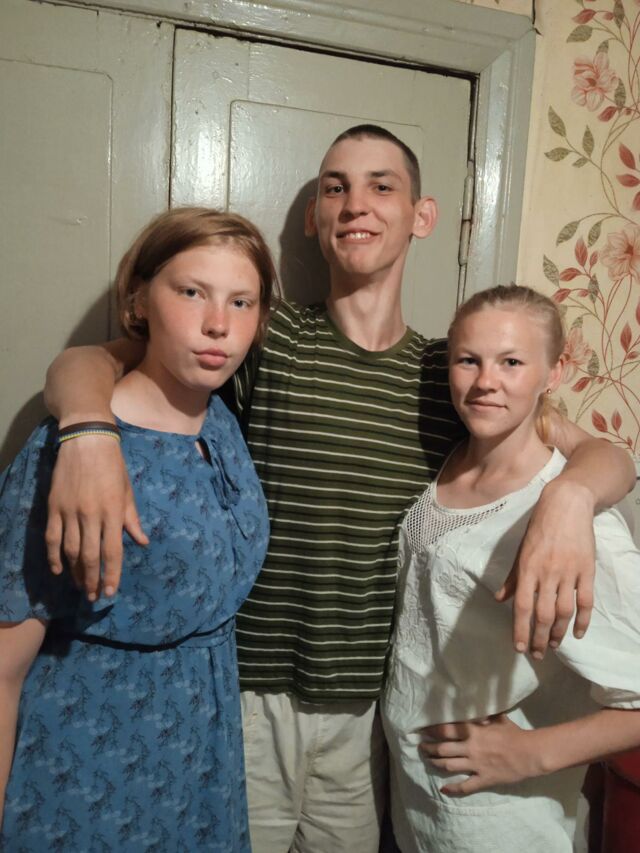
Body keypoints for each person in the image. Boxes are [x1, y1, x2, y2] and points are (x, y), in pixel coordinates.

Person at [41, 127, 635, 852]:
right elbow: (89, 361)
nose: (357, 204)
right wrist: (87, 432)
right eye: (335, 187)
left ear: (422, 215)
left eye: (382, 185)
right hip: (248, 696)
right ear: (313, 218)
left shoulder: (449, 370)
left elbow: (598, 450)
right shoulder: (265, 337)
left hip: (365, 718)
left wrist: (572, 498)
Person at [0, 208, 276, 850]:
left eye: (241, 302)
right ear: (138, 300)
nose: (218, 324)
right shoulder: (67, 454)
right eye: (192, 292)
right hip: (85, 767)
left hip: (202, 761)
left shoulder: (221, 420)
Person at [382, 284, 640, 853]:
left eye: (512, 362)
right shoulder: (452, 457)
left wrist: (532, 753)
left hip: (497, 820)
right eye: (468, 360)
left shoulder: (571, 524)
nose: (486, 382)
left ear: (555, 371)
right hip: (416, 804)